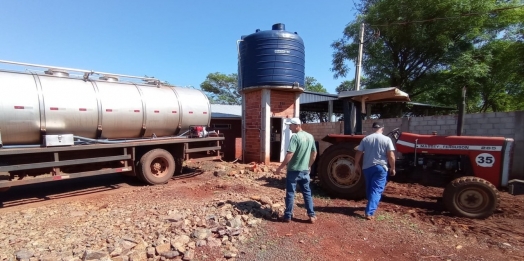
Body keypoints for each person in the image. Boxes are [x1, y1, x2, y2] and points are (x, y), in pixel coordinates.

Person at [275, 117, 318, 223]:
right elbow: (314, 153)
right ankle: (312, 215)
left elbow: (290, 154)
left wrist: (280, 167)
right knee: (307, 192)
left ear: (297, 125)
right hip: (304, 170)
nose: (289, 127)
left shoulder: (295, 137)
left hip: (293, 170)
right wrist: (309, 165)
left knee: (290, 193)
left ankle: (287, 216)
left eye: (291, 125)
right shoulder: (310, 136)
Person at [354, 122, 396, 220]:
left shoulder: (366, 139)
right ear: (382, 128)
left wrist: (356, 165)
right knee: (376, 190)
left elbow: (359, 152)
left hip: (367, 168)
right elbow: (391, 155)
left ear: (373, 129)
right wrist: (393, 168)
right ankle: (369, 212)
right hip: (381, 168)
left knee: (369, 188)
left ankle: (370, 204)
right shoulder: (387, 139)